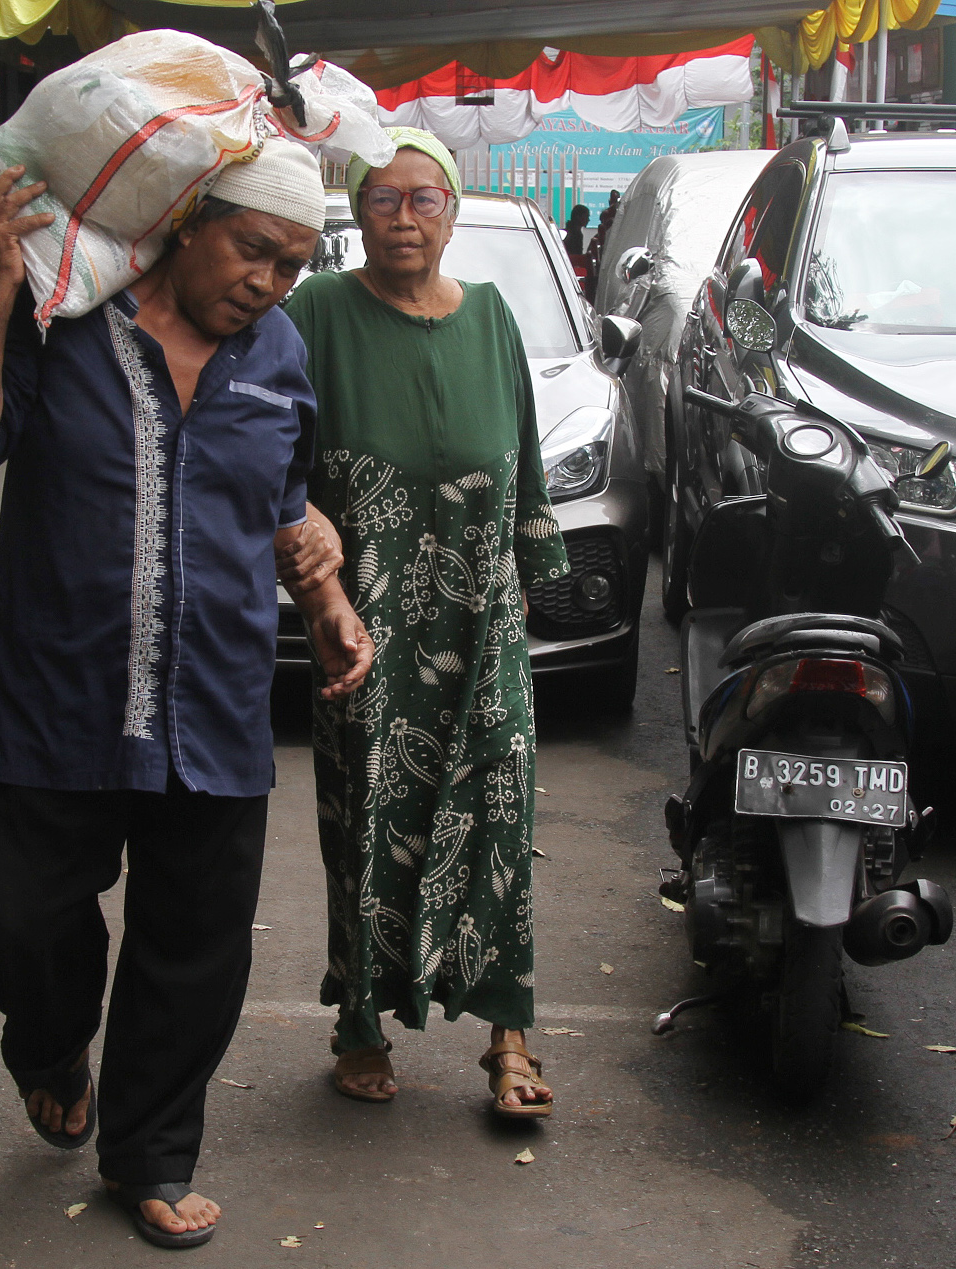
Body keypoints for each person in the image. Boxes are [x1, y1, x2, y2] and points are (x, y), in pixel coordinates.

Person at [0, 141, 371, 1250]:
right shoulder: (66, 328)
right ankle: (48, 1044)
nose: (267, 280)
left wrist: (323, 603)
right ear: (185, 227)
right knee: (15, 914)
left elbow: (281, 501)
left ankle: (150, 1151)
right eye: (252, 249)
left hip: (214, 702)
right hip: (54, 697)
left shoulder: (279, 355)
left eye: (291, 263)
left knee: (195, 946)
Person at [281, 126, 568, 1118]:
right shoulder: (316, 312)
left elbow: (522, 460)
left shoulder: (489, 319)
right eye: (382, 199)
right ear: (355, 212)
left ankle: (509, 1034)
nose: (403, 218)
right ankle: (359, 1021)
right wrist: (299, 520)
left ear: (452, 210)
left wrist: (528, 579)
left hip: (484, 639)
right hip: (365, 638)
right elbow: (270, 445)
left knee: (498, 824)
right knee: (369, 827)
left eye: (424, 199)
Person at [562, 201, 590, 270]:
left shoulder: (577, 233)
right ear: (578, 217)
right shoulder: (571, 234)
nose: (588, 220)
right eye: (586, 216)